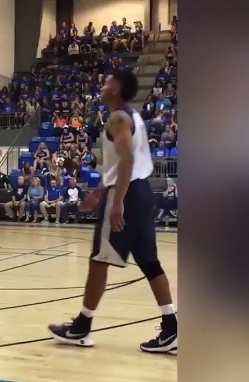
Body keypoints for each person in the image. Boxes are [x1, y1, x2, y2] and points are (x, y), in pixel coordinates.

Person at [48, 69, 178, 354]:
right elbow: (124, 163)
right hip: (140, 193)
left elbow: (128, 158)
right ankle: (171, 327)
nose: (103, 84)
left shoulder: (118, 117)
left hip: (128, 195)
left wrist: (116, 200)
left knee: (99, 259)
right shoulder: (132, 116)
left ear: (116, 88)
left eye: (107, 81)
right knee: (149, 262)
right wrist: (102, 191)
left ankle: (82, 327)